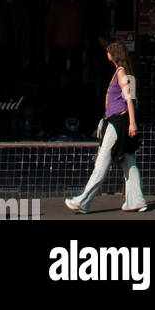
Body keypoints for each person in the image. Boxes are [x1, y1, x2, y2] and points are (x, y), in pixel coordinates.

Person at [64, 41, 146, 214]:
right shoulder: (126, 72)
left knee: (102, 161)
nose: (106, 54)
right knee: (128, 161)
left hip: (118, 123)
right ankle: (136, 201)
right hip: (122, 123)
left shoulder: (121, 72)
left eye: (108, 51)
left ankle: (83, 201)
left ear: (114, 54)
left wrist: (132, 122)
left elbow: (129, 98)